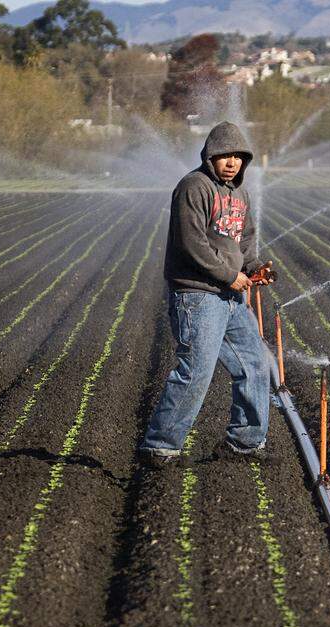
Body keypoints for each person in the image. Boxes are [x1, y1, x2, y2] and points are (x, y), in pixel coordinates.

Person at [140, 121, 276, 465]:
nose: (232, 162)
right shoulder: (194, 187)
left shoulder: (240, 195)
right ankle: (160, 445)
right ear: (210, 156)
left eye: (238, 157)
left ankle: (245, 442)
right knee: (196, 370)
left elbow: (244, 241)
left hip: (230, 297)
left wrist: (254, 268)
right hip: (198, 295)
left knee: (256, 364)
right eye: (225, 155)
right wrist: (229, 275)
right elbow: (192, 244)